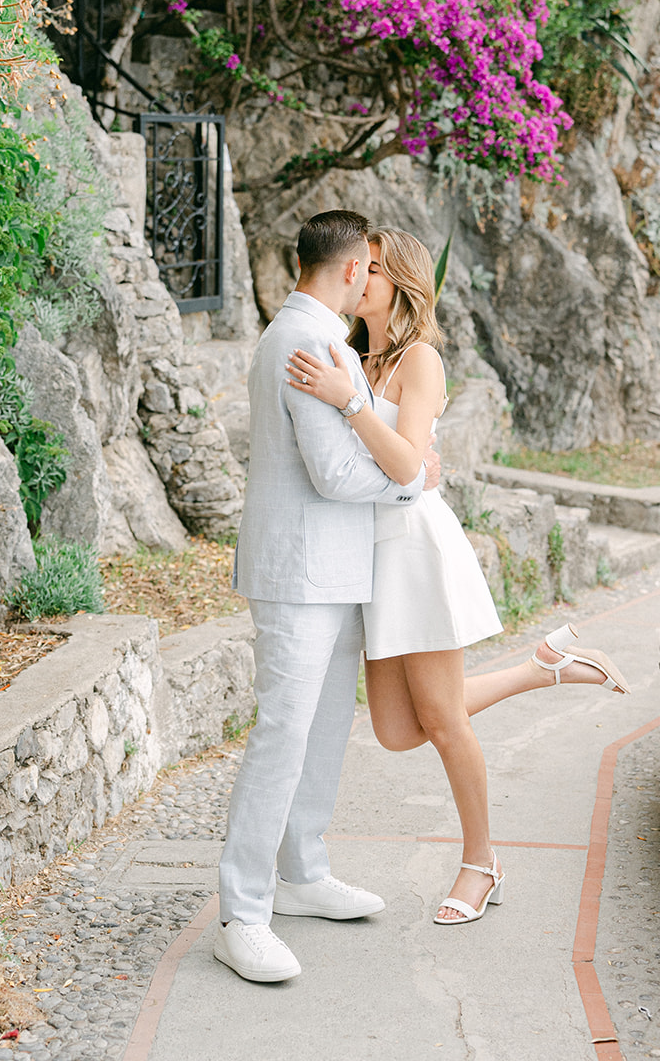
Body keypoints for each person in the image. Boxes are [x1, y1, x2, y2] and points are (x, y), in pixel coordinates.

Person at [286, 227, 630, 927]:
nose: (361, 279)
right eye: (361, 268)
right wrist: (346, 395)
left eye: (375, 271)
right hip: (370, 556)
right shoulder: (352, 358)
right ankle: (542, 667)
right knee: (393, 729)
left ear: (402, 283)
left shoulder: (421, 361)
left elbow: (409, 465)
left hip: (414, 547)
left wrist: (348, 405)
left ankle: (481, 863)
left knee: (442, 721)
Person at [216, 210, 441, 985]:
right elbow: (335, 474)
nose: (371, 279)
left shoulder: (319, 341)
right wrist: (411, 482)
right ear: (350, 272)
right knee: (282, 734)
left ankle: (302, 873)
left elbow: (364, 433)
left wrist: (399, 445)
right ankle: (242, 913)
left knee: (320, 730)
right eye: (368, 268)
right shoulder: (305, 342)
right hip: (299, 573)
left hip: (334, 569)